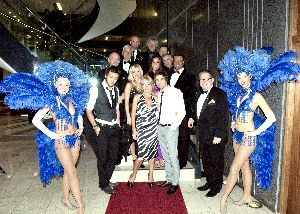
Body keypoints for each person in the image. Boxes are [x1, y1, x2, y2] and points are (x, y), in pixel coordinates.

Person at [0, 60, 90, 214]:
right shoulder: (52, 101)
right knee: (73, 173)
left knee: (70, 171)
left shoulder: (71, 100)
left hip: (75, 139)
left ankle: (65, 197)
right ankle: (81, 206)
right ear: (56, 85)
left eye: (66, 85)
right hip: (61, 141)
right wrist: (52, 134)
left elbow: (79, 115)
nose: (64, 88)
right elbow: (36, 120)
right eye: (61, 84)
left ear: (70, 87)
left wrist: (80, 127)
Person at [217, 46, 300, 213]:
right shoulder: (239, 95)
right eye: (239, 76)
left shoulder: (256, 96)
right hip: (238, 135)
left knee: (234, 168)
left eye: (244, 76)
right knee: (244, 166)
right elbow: (238, 112)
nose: (242, 79)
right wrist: (234, 123)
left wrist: (255, 132)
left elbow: (271, 117)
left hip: (249, 138)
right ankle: (247, 195)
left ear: (251, 76)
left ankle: (223, 200)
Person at [188, 70, 229, 197]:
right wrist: (192, 118)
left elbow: (223, 116)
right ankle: (209, 182)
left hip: (215, 135)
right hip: (203, 134)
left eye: (207, 79)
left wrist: (219, 134)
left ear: (212, 80)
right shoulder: (199, 94)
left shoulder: (219, 94)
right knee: (206, 160)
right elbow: (198, 111)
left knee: (216, 161)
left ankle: (216, 186)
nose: (204, 82)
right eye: (202, 80)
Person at [85, 66, 121, 195]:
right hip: (102, 127)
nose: (113, 80)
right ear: (106, 75)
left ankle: (107, 179)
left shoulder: (116, 90)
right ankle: (103, 184)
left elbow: (116, 108)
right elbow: (88, 110)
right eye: (111, 77)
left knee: (114, 156)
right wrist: (95, 126)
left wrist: (118, 124)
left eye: (115, 78)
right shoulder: (95, 90)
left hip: (114, 128)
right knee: (102, 157)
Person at [155, 71, 186, 195]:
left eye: (161, 79)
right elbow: (159, 111)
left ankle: (175, 182)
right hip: (160, 127)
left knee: (173, 155)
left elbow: (182, 111)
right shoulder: (159, 94)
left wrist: (173, 127)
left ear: (166, 79)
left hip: (170, 128)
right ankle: (168, 179)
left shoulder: (175, 92)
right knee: (166, 155)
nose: (159, 82)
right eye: (157, 80)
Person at [127, 74, 158, 188]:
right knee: (141, 155)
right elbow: (133, 115)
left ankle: (151, 175)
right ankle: (134, 174)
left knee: (152, 152)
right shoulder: (137, 97)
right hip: (141, 129)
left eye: (148, 84)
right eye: (143, 84)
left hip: (153, 128)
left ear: (152, 85)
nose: (146, 87)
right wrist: (134, 130)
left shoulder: (156, 97)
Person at [170, 53, 197, 169]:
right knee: (170, 137)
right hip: (168, 112)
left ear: (183, 62)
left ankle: (182, 162)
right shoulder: (167, 74)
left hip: (183, 112)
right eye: (175, 60)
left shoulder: (190, 76)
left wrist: (191, 116)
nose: (177, 63)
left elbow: (191, 97)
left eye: (180, 61)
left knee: (183, 138)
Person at [147, 55, 165, 168]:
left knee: (160, 134)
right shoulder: (147, 76)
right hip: (150, 107)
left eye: (157, 62)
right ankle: (154, 157)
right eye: (153, 62)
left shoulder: (162, 76)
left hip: (161, 108)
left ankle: (161, 156)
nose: (155, 64)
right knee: (153, 134)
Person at [124, 64, 143, 165]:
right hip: (132, 113)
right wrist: (128, 116)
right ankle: (134, 156)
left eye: (138, 71)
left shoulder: (144, 83)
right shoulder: (129, 85)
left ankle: (141, 155)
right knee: (132, 135)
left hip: (143, 113)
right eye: (134, 72)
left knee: (141, 135)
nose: (136, 74)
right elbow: (126, 102)